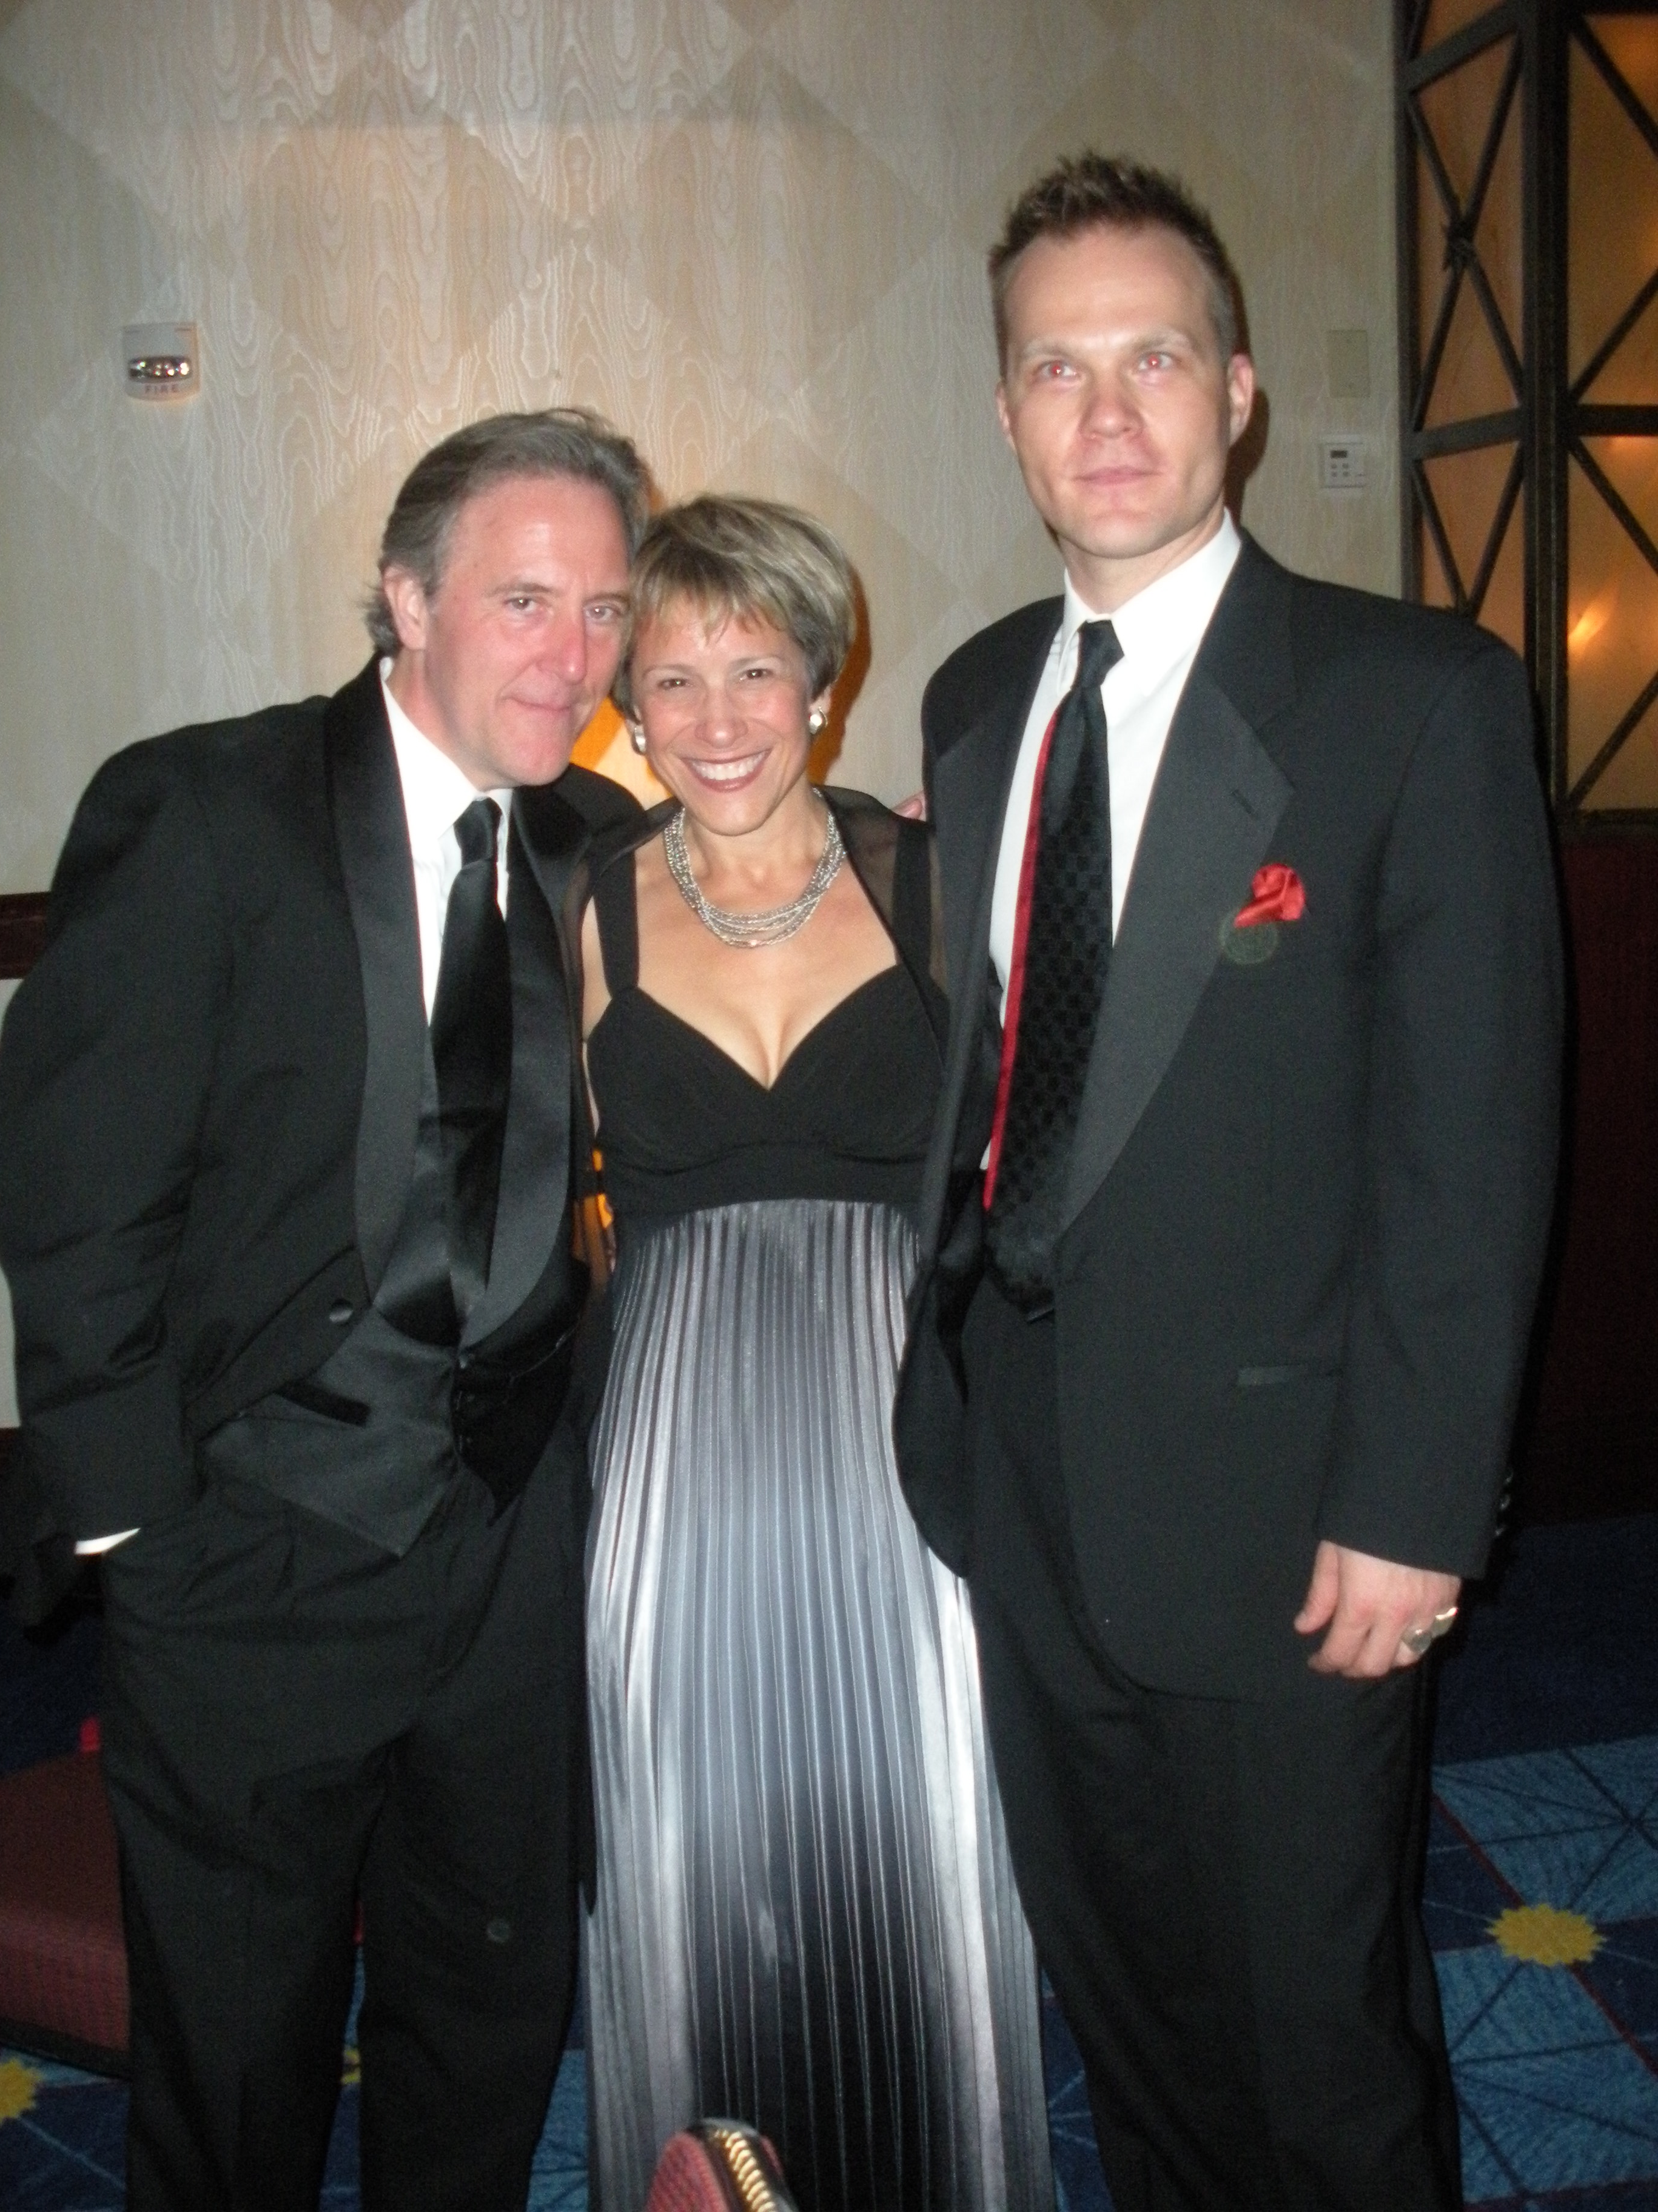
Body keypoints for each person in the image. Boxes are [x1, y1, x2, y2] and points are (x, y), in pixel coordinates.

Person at [893, 154, 1563, 2211]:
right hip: (1019, 1472)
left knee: (1321, 2044)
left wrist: (1412, 1505)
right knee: (1137, 2013)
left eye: (1153, 358)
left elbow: (1474, 1150)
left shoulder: (1412, 699)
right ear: (1004, 411)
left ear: (1241, 392)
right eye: (1055, 368)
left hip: (1295, 1516)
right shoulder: (980, 690)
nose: (1105, 413)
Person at [0, 409, 647, 2212]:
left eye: (602, 610)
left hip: (511, 1541)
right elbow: (72, 1185)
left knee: (491, 1995)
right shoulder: (208, 806)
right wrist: (145, 1524)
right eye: (526, 599)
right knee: (237, 2044)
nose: (573, 657)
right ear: (404, 598)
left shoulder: (601, 842)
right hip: (253, 1545)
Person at [576, 495, 1053, 2212]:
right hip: (678, 1466)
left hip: (897, 1449)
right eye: (672, 680)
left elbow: (1049, 1159)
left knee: (912, 1846)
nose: (713, 723)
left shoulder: (936, 874)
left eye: (754, 672)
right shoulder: (582, 906)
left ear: (824, 681)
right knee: (701, 1860)